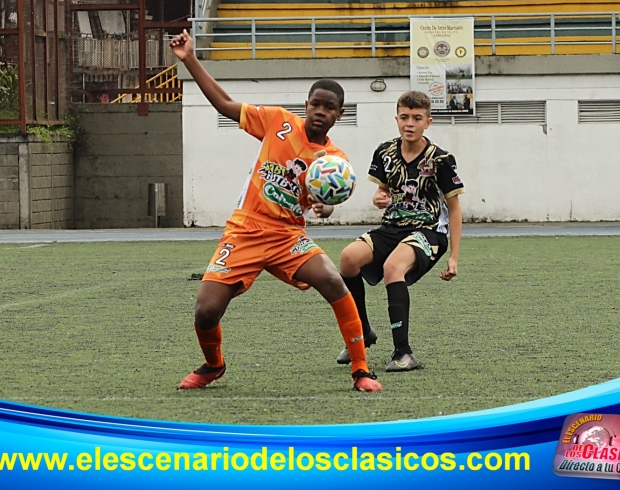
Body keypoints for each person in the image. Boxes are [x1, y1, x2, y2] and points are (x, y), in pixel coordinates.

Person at [169, 30, 382, 392]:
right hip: (246, 229)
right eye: (316, 103)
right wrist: (190, 59)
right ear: (307, 104)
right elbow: (224, 104)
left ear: (338, 115)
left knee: (333, 280)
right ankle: (213, 364)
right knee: (206, 310)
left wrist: (323, 205)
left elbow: (327, 206)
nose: (321, 111)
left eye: (329, 107)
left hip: (288, 235)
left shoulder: (334, 160)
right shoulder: (277, 122)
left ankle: (361, 369)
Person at [337, 91, 464, 372]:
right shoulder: (385, 152)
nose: (410, 123)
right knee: (347, 259)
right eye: (405, 117)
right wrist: (379, 198)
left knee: (393, 267)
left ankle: (404, 353)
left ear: (427, 122)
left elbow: (454, 208)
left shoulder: (441, 159)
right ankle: (362, 333)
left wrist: (453, 257)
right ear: (397, 119)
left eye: (417, 118)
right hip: (392, 228)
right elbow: (383, 191)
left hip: (428, 231)